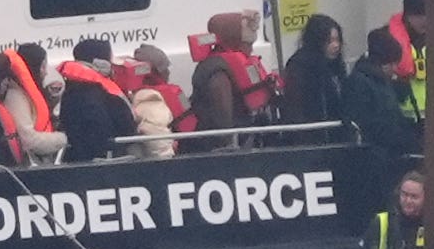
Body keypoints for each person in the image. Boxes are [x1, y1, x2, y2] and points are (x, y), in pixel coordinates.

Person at [342, 26, 421, 209]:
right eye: (392, 64)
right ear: (382, 63)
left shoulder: (378, 81)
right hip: (376, 158)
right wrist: (404, 138)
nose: (395, 69)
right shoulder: (361, 83)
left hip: (387, 153)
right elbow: (370, 123)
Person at [190, 10, 276, 147]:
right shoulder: (217, 71)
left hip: (241, 136)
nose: (251, 50)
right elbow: (223, 118)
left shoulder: (216, 64)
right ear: (234, 41)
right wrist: (229, 145)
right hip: (217, 146)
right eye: (248, 45)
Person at [56, 38, 135, 163]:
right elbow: (127, 127)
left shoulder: (71, 87)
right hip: (104, 160)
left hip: (79, 157)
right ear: (100, 61)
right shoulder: (97, 92)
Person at [2, 43, 68, 162]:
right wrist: (63, 138)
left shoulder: (27, 94)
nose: (46, 72)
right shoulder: (16, 97)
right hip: (29, 167)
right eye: (43, 67)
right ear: (34, 67)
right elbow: (28, 141)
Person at [118, 44, 183, 159]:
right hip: (168, 156)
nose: (168, 72)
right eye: (164, 69)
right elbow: (156, 139)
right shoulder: (148, 98)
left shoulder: (135, 95)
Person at [281, 14, 346, 126]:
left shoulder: (336, 66)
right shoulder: (300, 66)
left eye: (337, 40)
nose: (336, 45)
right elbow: (296, 107)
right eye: (329, 41)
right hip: (314, 131)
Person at [385, 0, 428, 124]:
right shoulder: (387, 39)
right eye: (418, 15)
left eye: (428, 14)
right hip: (401, 118)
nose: (425, 20)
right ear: (407, 14)